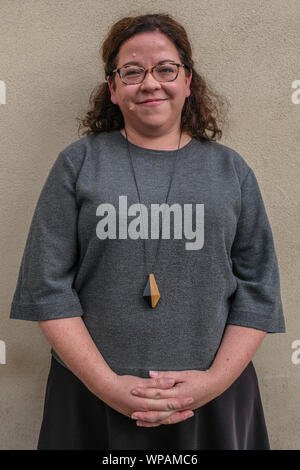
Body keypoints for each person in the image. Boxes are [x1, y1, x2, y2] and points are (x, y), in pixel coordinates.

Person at [9, 13, 286, 450]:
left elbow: (259, 290)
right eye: (132, 72)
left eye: (165, 69)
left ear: (188, 81)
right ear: (114, 88)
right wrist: (110, 386)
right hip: (90, 398)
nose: (150, 83)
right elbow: (46, 288)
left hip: (213, 400)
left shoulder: (230, 170)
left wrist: (211, 383)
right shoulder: (77, 164)